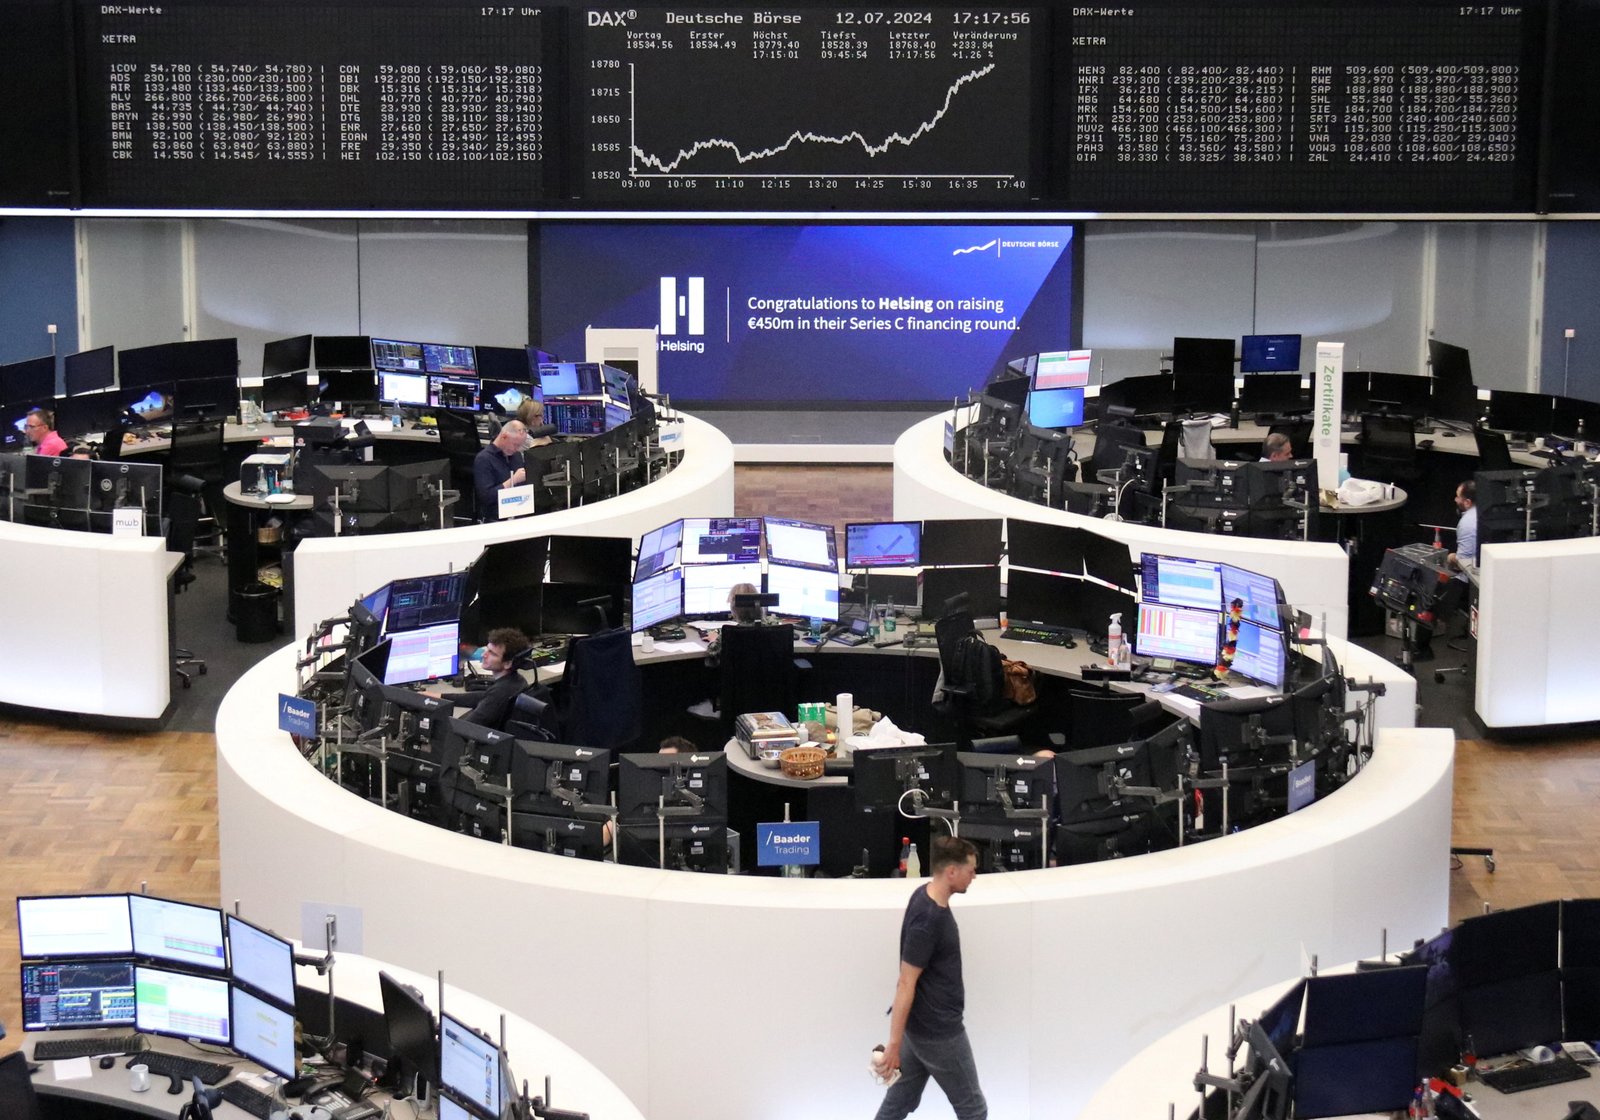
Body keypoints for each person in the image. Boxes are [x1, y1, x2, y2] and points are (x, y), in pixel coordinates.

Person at [874, 835, 987, 1120]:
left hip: (919, 1031)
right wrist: (894, 1046)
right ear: (952, 871)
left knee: (898, 1104)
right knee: (974, 1110)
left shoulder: (922, 895)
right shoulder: (930, 920)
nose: (974, 876)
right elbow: (906, 982)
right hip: (940, 1034)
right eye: (970, 870)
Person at [433, 627, 532, 730]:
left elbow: (464, 728)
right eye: (487, 649)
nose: (484, 655)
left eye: (492, 653)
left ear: (507, 663)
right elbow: (482, 697)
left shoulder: (500, 692)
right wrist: (440, 696)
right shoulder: (517, 681)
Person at [473, 419, 527, 520]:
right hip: (496, 517)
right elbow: (486, 497)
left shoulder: (516, 456)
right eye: (515, 444)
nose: (516, 449)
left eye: (519, 445)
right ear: (504, 437)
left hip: (519, 511)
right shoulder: (484, 459)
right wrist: (513, 480)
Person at [1448, 480, 1477, 579]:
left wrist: (1451, 557)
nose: (1455, 500)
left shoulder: (1467, 522)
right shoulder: (1486, 514)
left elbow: (1463, 562)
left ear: (1467, 502)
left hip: (1470, 581)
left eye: (1458, 497)